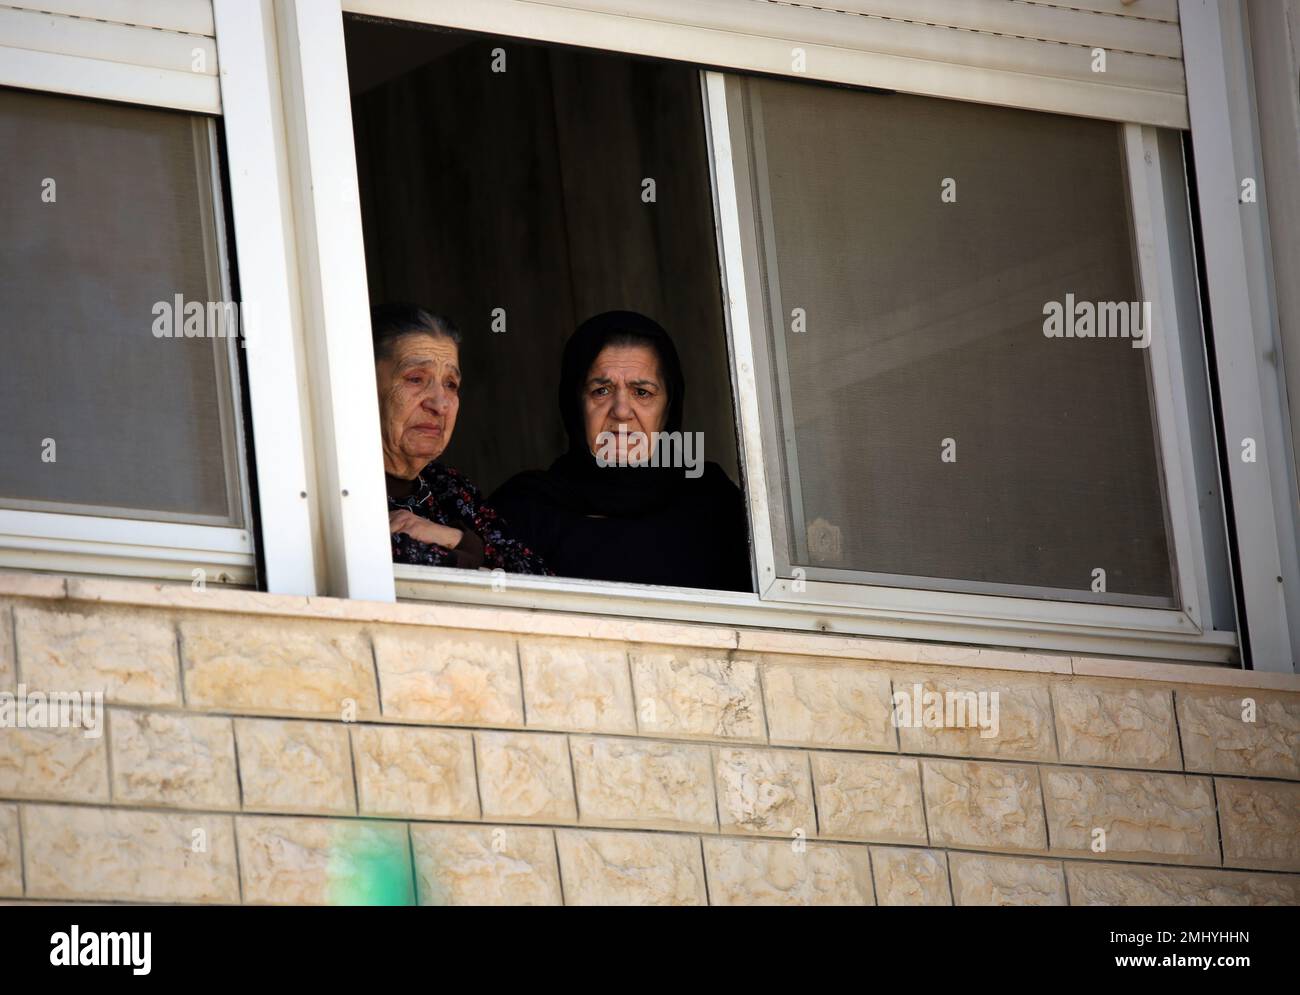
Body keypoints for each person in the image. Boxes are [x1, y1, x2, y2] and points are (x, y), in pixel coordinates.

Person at [490, 310, 751, 591]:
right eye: (601, 390)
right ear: (574, 405)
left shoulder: (713, 504)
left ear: (669, 408)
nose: (622, 411)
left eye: (643, 392)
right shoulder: (524, 509)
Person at [373, 303, 549, 573]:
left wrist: (454, 538)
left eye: (450, 384)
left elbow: (539, 579)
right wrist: (474, 558)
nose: (440, 404)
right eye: (416, 379)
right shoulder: (334, 489)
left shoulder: (449, 488)